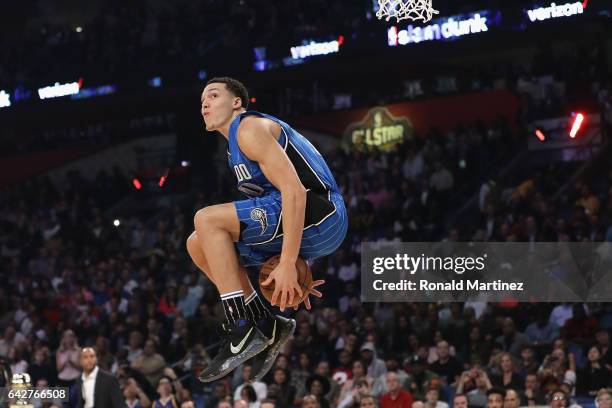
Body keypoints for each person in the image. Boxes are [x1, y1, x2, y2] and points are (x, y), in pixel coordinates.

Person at [192, 77, 348, 383]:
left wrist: (289, 262)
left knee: (207, 219)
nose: (205, 104)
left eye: (213, 95)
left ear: (237, 102)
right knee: (198, 243)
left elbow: (295, 192)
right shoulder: (234, 147)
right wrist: (294, 260)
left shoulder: (248, 129)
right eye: (201, 101)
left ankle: (242, 326)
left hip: (322, 212)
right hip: (307, 223)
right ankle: (267, 324)